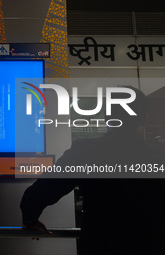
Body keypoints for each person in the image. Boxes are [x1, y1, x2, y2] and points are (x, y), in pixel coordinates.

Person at [20, 86, 165, 255]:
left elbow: (44, 190)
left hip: (100, 247)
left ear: (107, 117)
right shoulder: (159, 158)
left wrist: (30, 219)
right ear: (145, 118)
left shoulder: (85, 152)